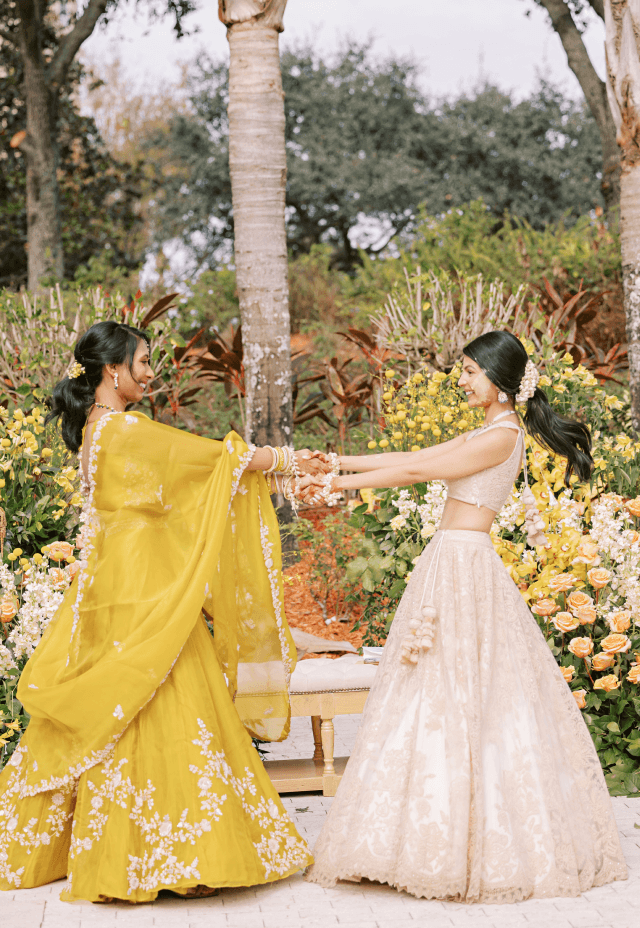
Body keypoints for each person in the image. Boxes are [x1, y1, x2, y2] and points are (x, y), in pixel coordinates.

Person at [0, 320, 324, 903]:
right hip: (138, 580)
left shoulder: (97, 431)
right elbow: (210, 461)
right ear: (111, 370)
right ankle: (170, 854)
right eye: (143, 362)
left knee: (125, 698)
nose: (151, 373)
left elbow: (171, 489)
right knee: (157, 688)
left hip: (112, 580)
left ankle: (139, 845)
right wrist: (284, 459)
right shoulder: (124, 429)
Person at [305, 330, 628, 903]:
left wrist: (331, 482)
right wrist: (332, 462)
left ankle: (464, 844)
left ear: (502, 382)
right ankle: (408, 837)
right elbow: (414, 457)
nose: (462, 380)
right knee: (432, 692)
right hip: (449, 564)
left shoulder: (502, 437)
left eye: (471, 372)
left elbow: (414, 473)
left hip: (464, 569)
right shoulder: (490, 430)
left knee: (467, 697)